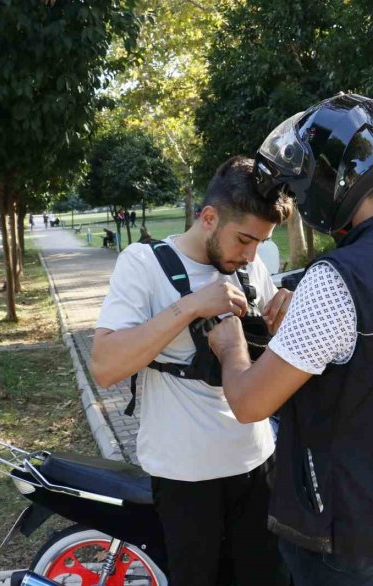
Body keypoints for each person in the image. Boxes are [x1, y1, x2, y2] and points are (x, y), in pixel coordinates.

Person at [208, 94, 373, 586]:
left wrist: (231, 347)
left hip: (342, 523)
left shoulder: (336, 279)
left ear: (330, 179)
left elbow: (250, 403)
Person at [90, 156, 293, 586]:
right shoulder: (142, 264)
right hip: (186, 479)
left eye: (260, 242)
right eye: (243, 240)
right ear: (208, 217)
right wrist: (192, 307)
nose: (251, 254)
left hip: (258, 464)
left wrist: (283, 317)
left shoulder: (250, 267)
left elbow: (263, 357)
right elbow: (105, 367)